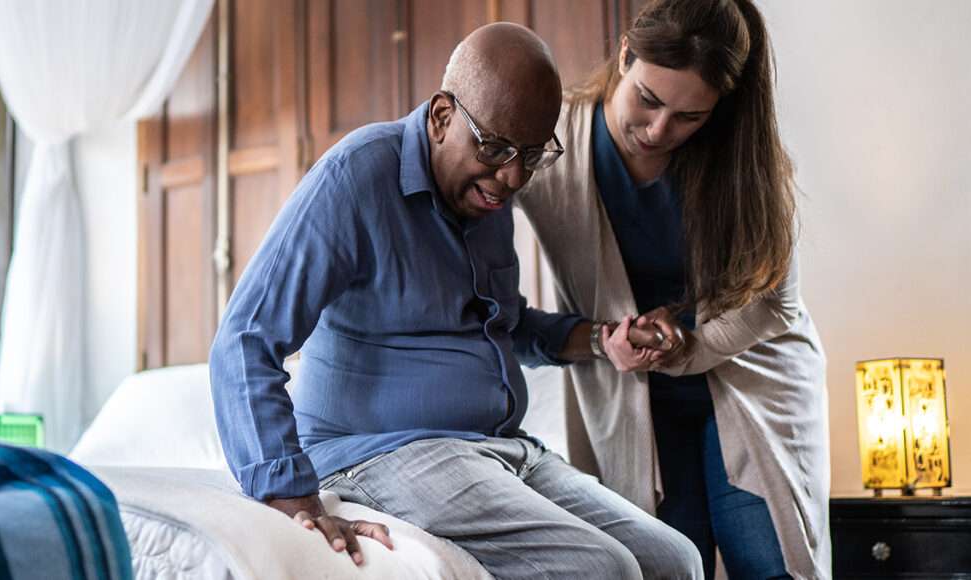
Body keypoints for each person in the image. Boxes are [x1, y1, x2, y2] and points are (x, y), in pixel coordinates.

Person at [209, 22, 703, 580]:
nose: (512, 177)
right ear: (443, 115)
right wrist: (290, 496)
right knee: (601, 568)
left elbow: (505, 327)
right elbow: (245, 338)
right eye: (495, 148)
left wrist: (599, 338)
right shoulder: (355, 177)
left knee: (676, 559)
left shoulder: (485, 197)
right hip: (380, 452)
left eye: (532, 154)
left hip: (501, 447)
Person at [515, 1, 830, 578]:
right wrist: (598, 338)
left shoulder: (744, 160)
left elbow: (776, 305)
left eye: (689, 117)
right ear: (625, 56)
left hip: (750, 375)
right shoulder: (549, 140)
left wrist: (690, 348)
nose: (659, 131)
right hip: (633, 392)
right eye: (648, 99)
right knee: (670, 561)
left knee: (769, 558)